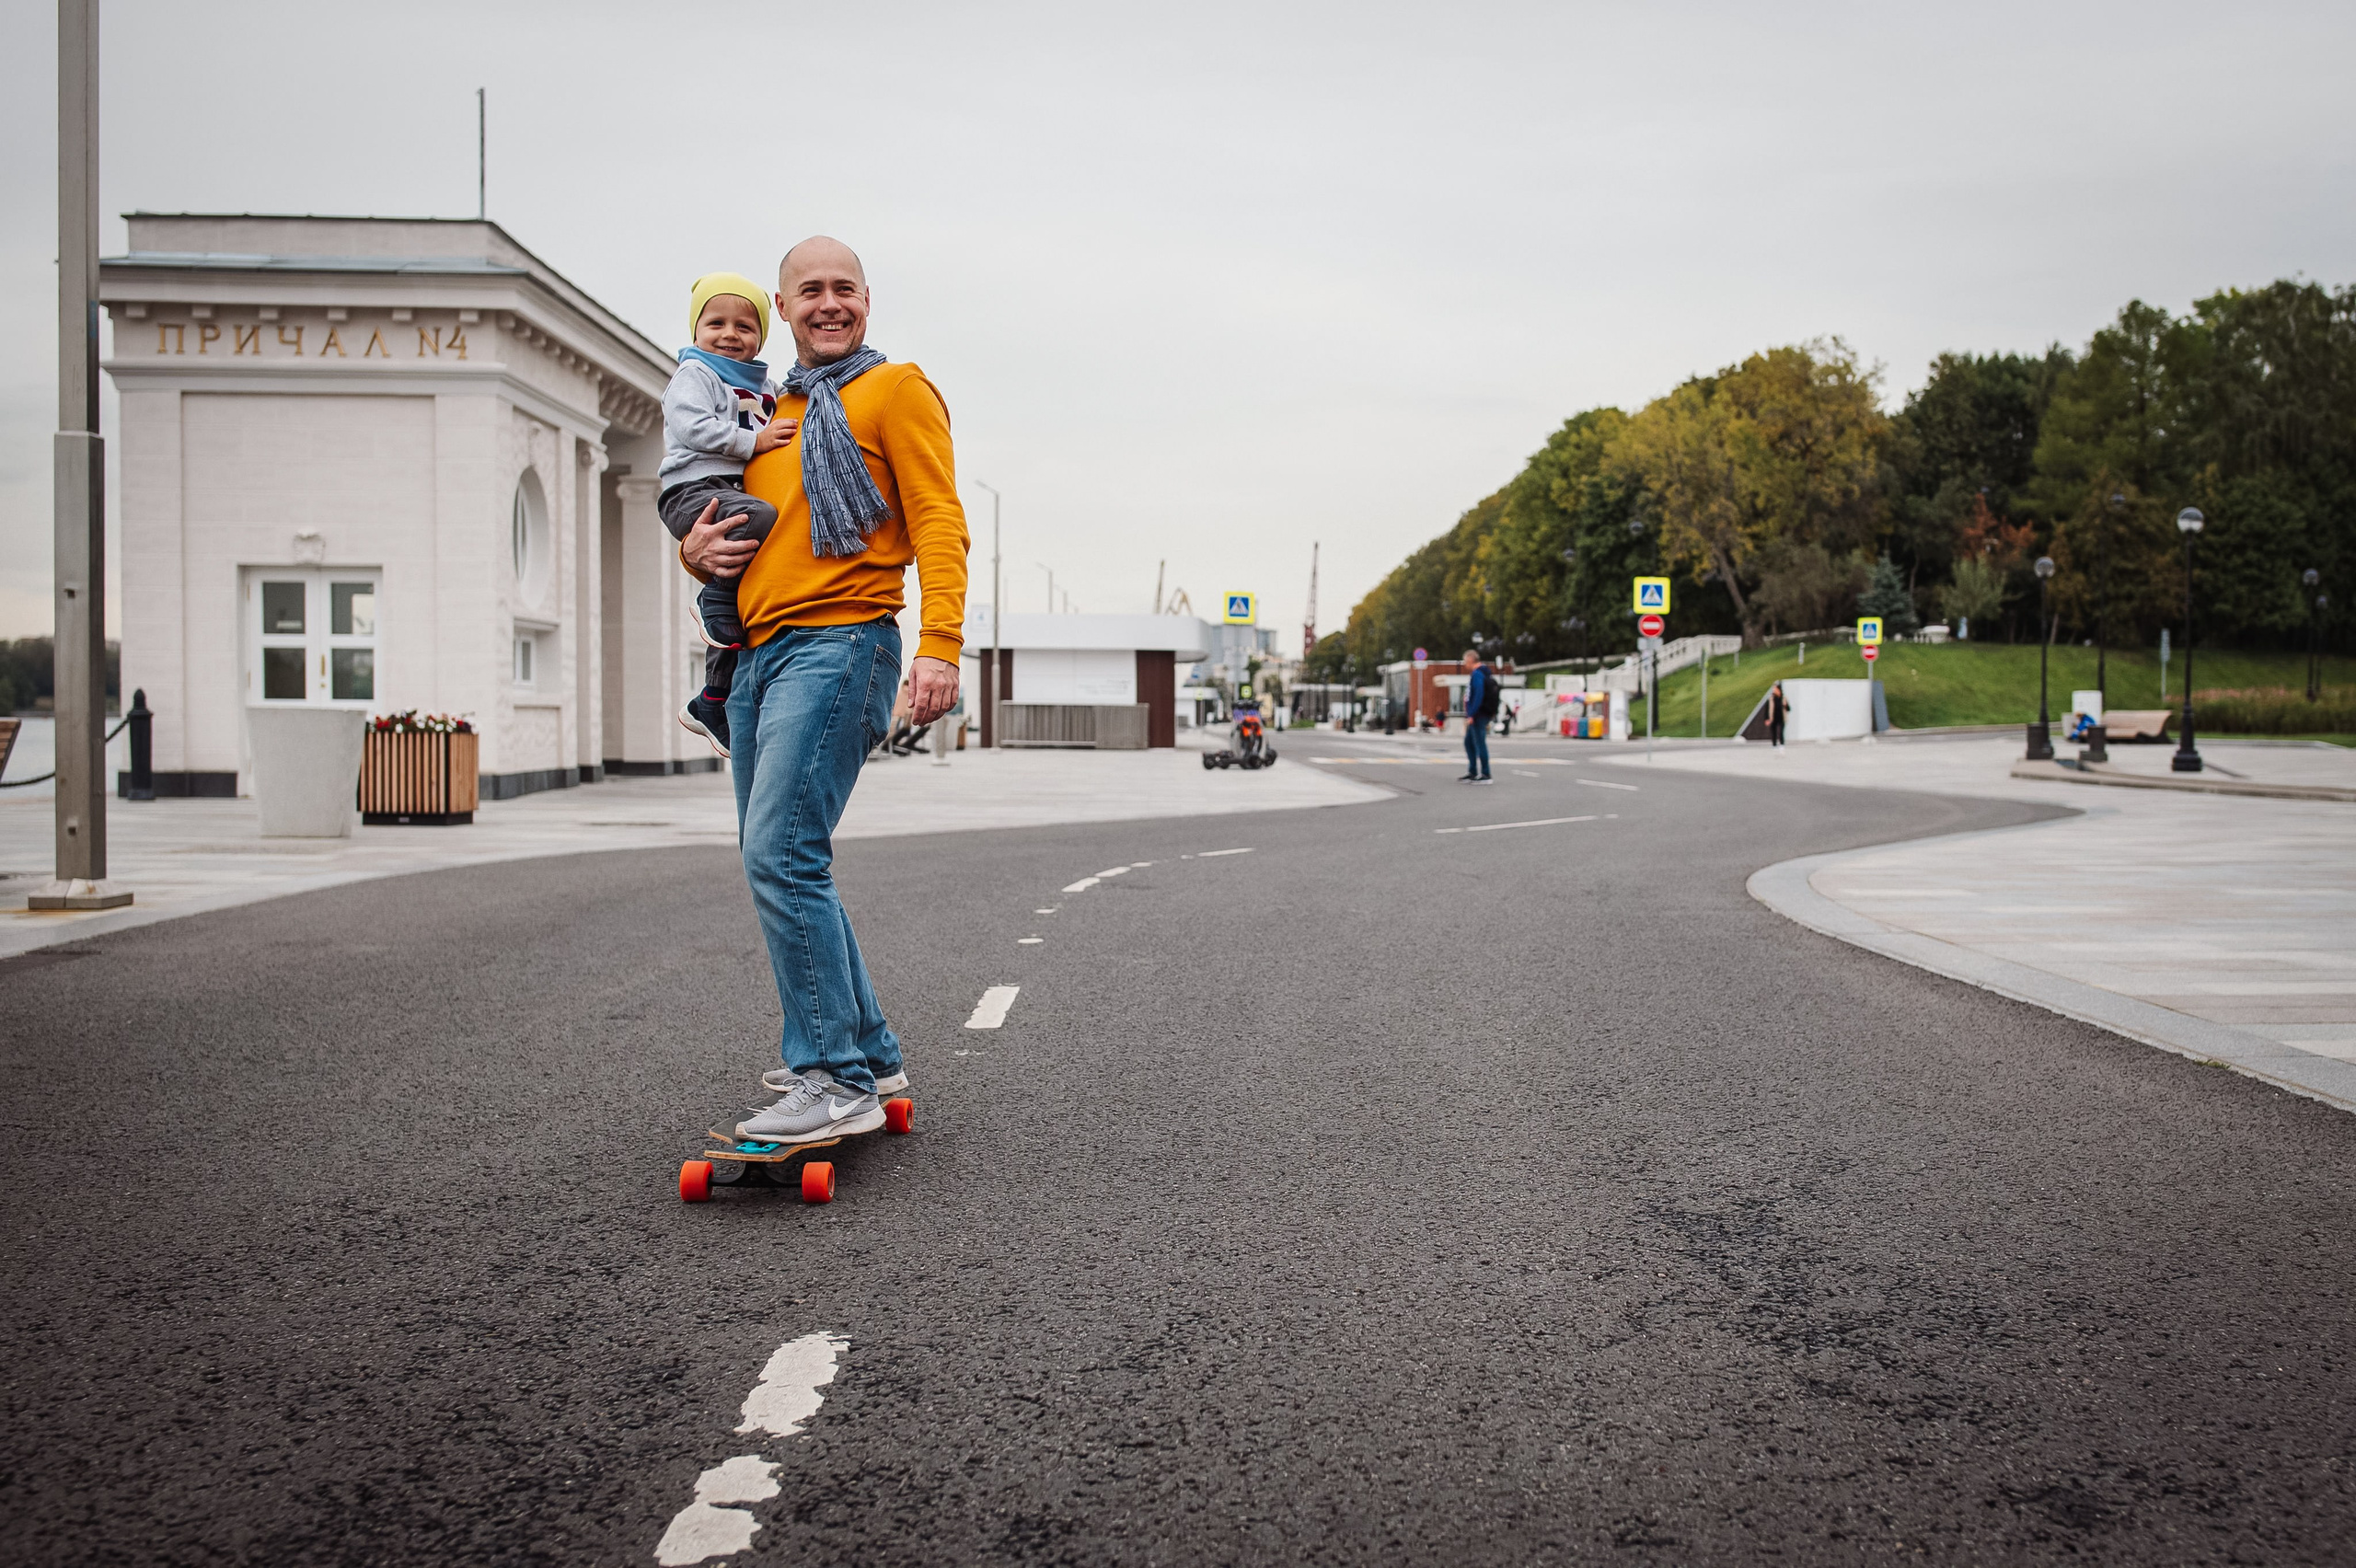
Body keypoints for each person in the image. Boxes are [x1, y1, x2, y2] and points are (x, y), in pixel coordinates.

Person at [677, 236, 968, 1142]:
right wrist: (692, 551)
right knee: (784, 855)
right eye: (810, 291)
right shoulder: (765, 412)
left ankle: (833, 1077)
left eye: (844, 288)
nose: (828, 303)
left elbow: (937, 517)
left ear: (867, 301)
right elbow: (732, 528)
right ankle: (869, 1055)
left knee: (781, 851)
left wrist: (940, 644)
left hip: (842, 642)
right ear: (784, 308)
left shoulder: (895, 389)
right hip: (757, 657)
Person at [656, 273, 797, 757]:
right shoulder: (695, 374)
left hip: (728, 491)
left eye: (744, 326)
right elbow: (691, 427)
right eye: (715, 323)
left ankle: (712, 700)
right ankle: (710, 597)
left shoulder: (766, 387)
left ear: (762, 336)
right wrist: (753, 442)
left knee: (736, 617)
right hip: (694, 490)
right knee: (759, 516)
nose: (729, 334)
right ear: (696, 330)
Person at [1458, 649, 1496, 781]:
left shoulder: (1477, 674)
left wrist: (1472, 714)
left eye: (1465, 662)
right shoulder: (1482, 673)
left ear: (1470, 660)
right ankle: (1472, 771)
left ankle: (1485, 773)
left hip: (1479, 715)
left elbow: (1478, 694)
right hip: (1478, 714)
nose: (1464, 665)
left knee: (1479, 743)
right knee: (1469, 742)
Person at [1766, 680, 1790, 747]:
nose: (1774, 690)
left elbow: (1788, 709)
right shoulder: (1771, 699)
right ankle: (1774, 744)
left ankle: (1782, 744)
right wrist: (1767, 718)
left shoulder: (1783, 699)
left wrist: (1785, 705)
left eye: (1775, 689)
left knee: (1781, 732)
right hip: (1773, 718)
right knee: (1773, 731)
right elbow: (1767, 709)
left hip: (1781, 718)